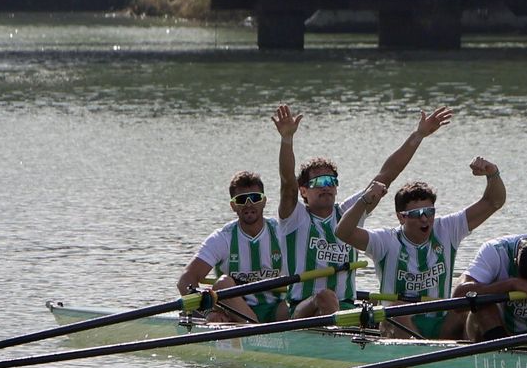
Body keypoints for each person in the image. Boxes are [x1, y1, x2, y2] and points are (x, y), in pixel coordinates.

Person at [275, 104, 453, 319]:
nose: (326, 186)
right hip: (303, 310)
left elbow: (387, 175)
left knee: (385, 305)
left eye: (331, 181)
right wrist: (287, 139)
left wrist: (419, 135)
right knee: (325, 296)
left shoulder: (349, 213)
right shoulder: (295, 218)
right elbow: (287, 184)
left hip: (346, 307)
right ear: (303, 190)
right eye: (319, 181)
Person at [337, 159, 506, 339]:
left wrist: (492, 173)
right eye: (416, 214)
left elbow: (493, 202)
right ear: (401, 217)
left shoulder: (447, 229)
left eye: (429, 212)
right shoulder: (385, 241)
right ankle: (426, 354)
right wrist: (364, 201)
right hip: (400, 324)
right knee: (398, 309)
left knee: (470, 303)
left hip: (441, 324)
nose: (425, 219)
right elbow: (343, 232)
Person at [175, 171, 287, 323]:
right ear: (233, 206)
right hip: (235, 314)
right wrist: (208, 312)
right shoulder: (222, 238)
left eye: (254, 198)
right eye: (241, 200)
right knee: (223, 284)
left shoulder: (282, 232)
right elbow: (185, 280)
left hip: (276, 309)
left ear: (264, 201)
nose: (248, 204)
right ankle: (256, 332)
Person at [451, 233, 527, 341]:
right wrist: (509, 284)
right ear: (515, 262)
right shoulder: (494, 251)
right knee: (481, 305)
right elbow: (458, 298)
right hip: (501, 329)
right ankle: (501, 351)